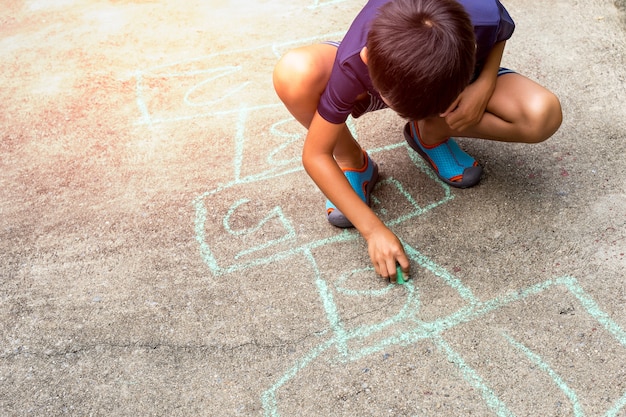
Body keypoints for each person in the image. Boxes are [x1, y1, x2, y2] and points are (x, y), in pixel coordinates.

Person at [272, 0, 562, 282]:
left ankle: (430, 134)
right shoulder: (355, 60)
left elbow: (498, 28)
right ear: (368, 61)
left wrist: (484, 83)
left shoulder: (480, 11)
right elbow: (315, 154)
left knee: (542, 115)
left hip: (447, 69)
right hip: (394, 63)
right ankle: (354, 163)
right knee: (294, 74)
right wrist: (373, 231)